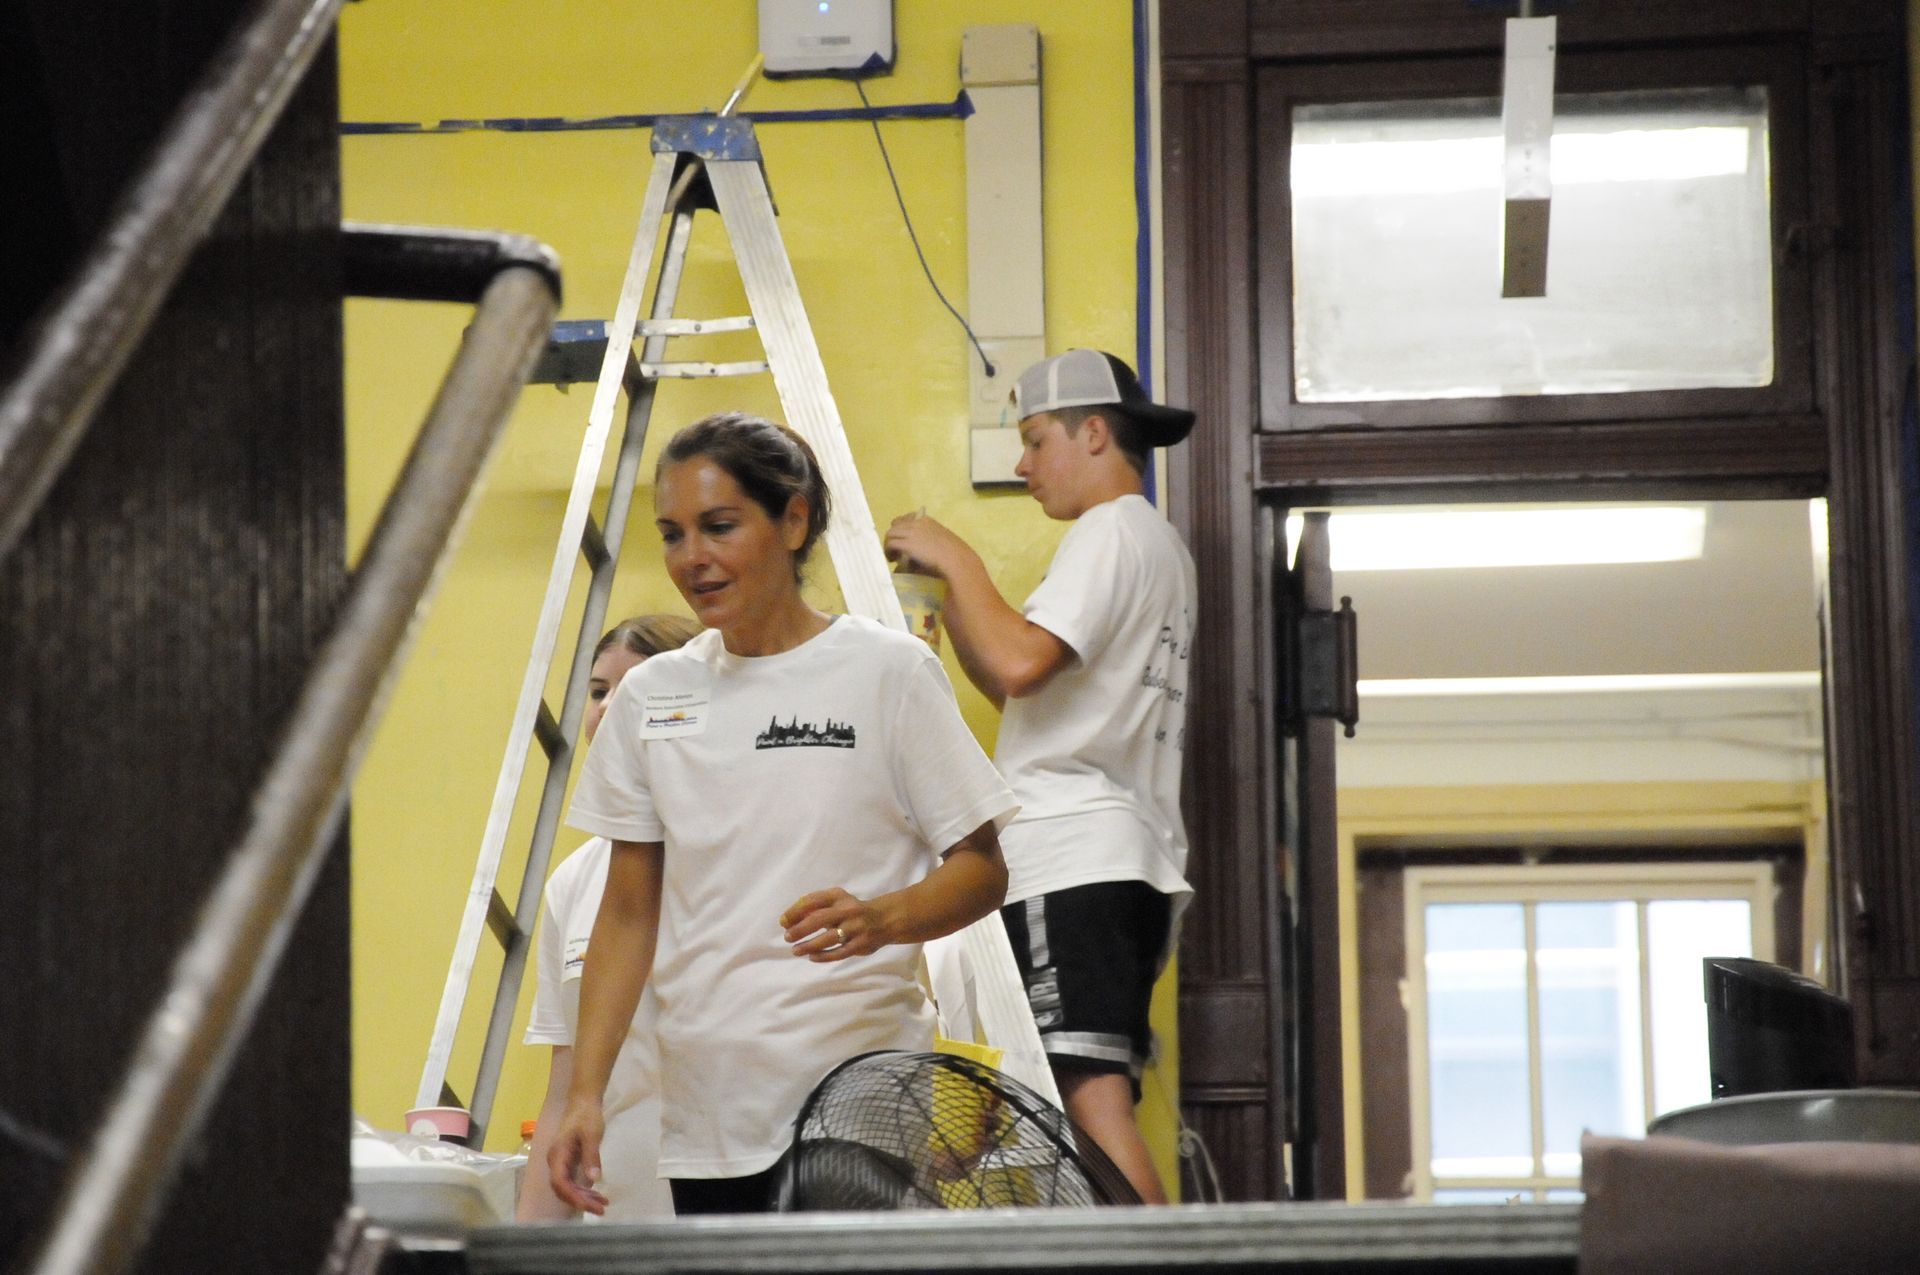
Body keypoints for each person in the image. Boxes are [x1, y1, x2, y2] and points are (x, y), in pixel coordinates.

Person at [547, 411, 1018, 1216]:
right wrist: (582, 1095)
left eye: (719, 526)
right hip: (709, 1118)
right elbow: (628, 912)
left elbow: (982, 868)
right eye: (672, 533)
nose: (692, 558)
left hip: (860, 1107)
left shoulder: (888, 672)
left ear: (793, 519)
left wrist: (886, 916)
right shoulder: (651, 699)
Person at [883, 349, 1197, 1204]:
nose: (1022, 465)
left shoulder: (1112, 530)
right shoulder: (1154, 547)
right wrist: (948, 603)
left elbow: (1020, 662)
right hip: (1112, 860)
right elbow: (1020, 684)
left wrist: (958, 558)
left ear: (1093, 432)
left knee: (1090, 1107)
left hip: (1074, 855)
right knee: (1061, 1099)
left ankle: (1167, 1273)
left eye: (1033, 440)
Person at [516, 613, 700, 1223]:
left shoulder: (740, 854)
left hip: (736, 1212)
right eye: (599, 691)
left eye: (637, 686)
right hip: (619, 1223)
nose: (610, 707)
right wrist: (529, 1254)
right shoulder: (573, 881)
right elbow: (564, 1095)